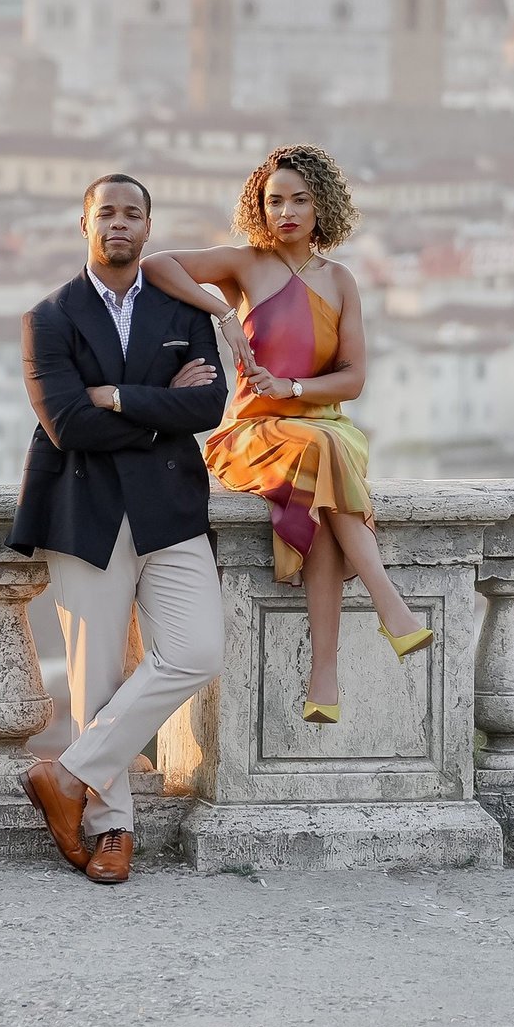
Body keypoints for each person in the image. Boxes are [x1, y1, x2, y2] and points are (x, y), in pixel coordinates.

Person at [140, 143, 431, 728]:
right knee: (322, 456)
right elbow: (157, 265)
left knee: (323, 488)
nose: (287, 211)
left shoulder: (342, 280)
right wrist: (222, 313)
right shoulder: (246, 264)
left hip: (319, 425)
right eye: (274, 201)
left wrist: (293, 387)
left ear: (323, 204)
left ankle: (324, 676)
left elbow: (353, 380)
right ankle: (386, 600)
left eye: (300, 199)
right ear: (259, 207)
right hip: (249, 434)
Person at [9, 172, 230, 885]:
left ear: (148, 226)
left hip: (171, 512)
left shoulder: (181, 308)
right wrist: (158, 405)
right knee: (94, 680)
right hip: (87, 514)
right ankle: (112, 828)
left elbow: (209, 409)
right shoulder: (49, 316)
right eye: (107, 212)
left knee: (198, 648)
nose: (119, 224)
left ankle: (67, 775)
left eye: (133, 213)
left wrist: (117, 399)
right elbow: (67, 423)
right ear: (85, 225)